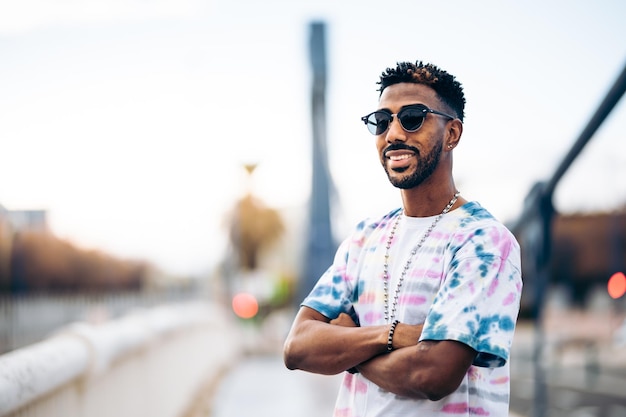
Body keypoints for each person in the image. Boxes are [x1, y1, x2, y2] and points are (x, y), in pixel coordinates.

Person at [283, 60, 523, 416]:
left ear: (452, 134)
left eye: (412, 117)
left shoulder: (484, 242)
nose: (393, 133)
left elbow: (432, 374)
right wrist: (392, 336)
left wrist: (349, 353)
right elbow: (298, 348)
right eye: (381, 121)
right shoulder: (363, 238)